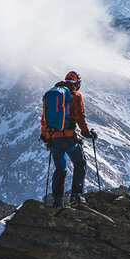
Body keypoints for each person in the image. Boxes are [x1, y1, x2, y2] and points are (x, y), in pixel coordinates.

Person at [41, 70, 97, 208]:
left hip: (53, 138)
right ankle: (76, 196)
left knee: (60, 168)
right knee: (79, 162)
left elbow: (44, 118)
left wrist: (46, 137)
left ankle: (57, 201)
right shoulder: (75, 95)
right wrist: (86, 133)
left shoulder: (51, 95)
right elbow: (80, 116)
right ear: (77, 84)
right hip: (68, 138)